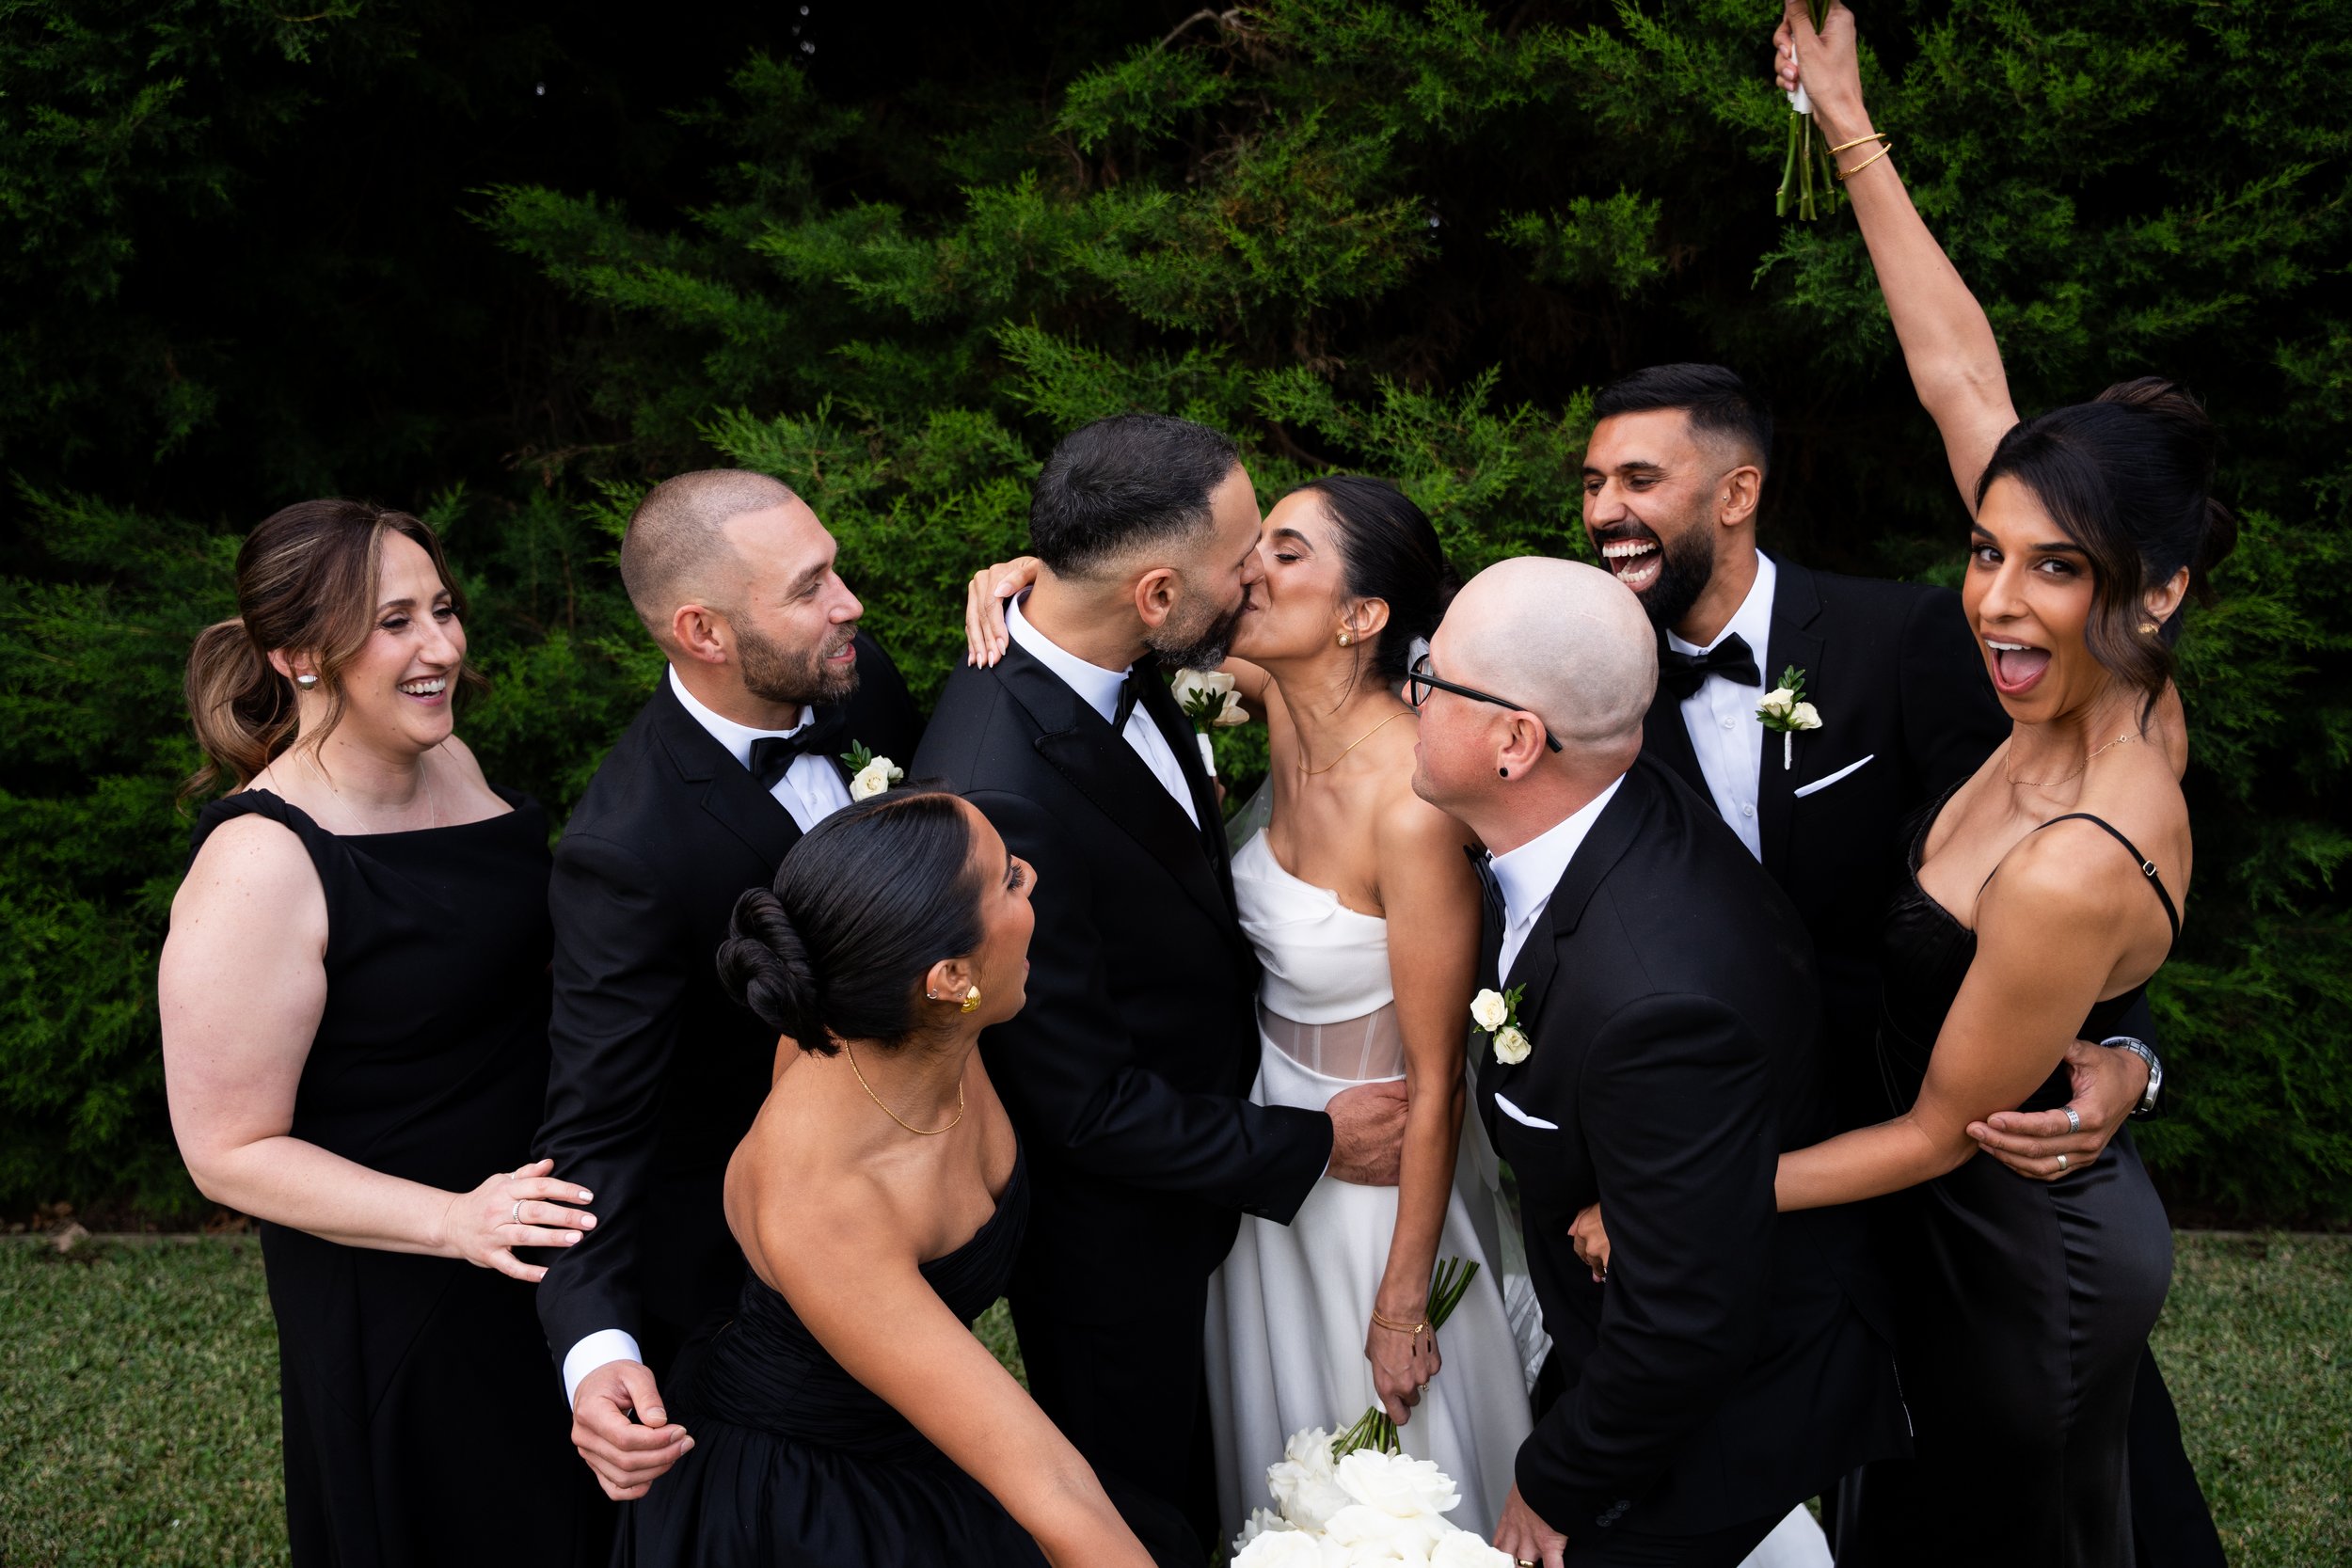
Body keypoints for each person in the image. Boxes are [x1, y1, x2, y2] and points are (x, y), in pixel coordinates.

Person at [1590, 10, 2226, 1563]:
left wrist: (1691, 1205)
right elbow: (1955, 367)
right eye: (1987, 551)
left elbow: (1946, 1132)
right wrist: (1852, 130)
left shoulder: (2088, 839)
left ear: (2159, 594)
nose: (1998, 601)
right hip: (1922, 1208)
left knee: (2011, 1526)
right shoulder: (2073, 682)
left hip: (2010, 1247)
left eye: (2055, 571)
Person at [962, 476, 1536, 1536]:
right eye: (1251, 548)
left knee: (1382, 1476)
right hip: (1259, 1157)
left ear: (1362, 616)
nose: (1248, 572)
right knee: (1270, 1448)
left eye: (1284, 552)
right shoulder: (1273, 697)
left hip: (1372, 1186)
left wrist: (1404, 1295)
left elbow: (1438, 1077)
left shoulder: (1411, 807)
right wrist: (1033, 582)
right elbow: (1118, 615)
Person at [914, 414, 1409, 1560]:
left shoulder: (1109, 653)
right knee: (1161, 1504)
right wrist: (1310, 1141)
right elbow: (1078, 1103)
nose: (1255, 579)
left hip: (1215, 1185)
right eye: (1239, 563)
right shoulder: (1001, 786)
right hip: (1121, 1257)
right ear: (1151, 594)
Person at [1412, 558, 1909, 1568]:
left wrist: (1556, 1482)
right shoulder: (1598, 807)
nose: (1410, 694)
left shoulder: (1656, 1000)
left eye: (1432, 678)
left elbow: (1683, 1323)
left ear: (1515, 742)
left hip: (1697, 1426)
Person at [160, 499, 610, 1565]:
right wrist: (457, 1220)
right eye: (395, 621)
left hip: (532, 1240)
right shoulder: (260, 863)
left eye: (442, 610)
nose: (442, 647)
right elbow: (226, 1150)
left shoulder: (448, 767)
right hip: (404, 1283)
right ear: (300, 655)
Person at [621, 787, 1162, 1568]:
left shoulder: (900, 1010)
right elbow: (1053, 1490)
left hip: (911, 1420)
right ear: (948, 977)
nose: (1033, 878)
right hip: (805, 1496)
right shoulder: (829, 1208)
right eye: (1008, 877)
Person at [531, 469, 922, 1502]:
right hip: (750, 1282)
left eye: (834, 566)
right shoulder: (625, 847)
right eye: (809, 586)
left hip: (921, 1208)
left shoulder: (858, 680)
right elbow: (596, 1128)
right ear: (702, 630)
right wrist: (595, 1348)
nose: (851, 603)